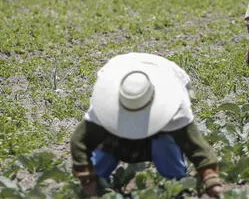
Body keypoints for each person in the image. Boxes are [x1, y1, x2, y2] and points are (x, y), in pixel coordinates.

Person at [70, 53, 222, 198]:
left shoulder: (174, 107)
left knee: (165, 142)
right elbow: (79, 140)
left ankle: (177, 184)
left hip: (158, 135)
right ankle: (98, 179)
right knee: (102, 156)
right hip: (117, 140)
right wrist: (87, 178)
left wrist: (210, 179)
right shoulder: (104, 106)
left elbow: (195, 145)